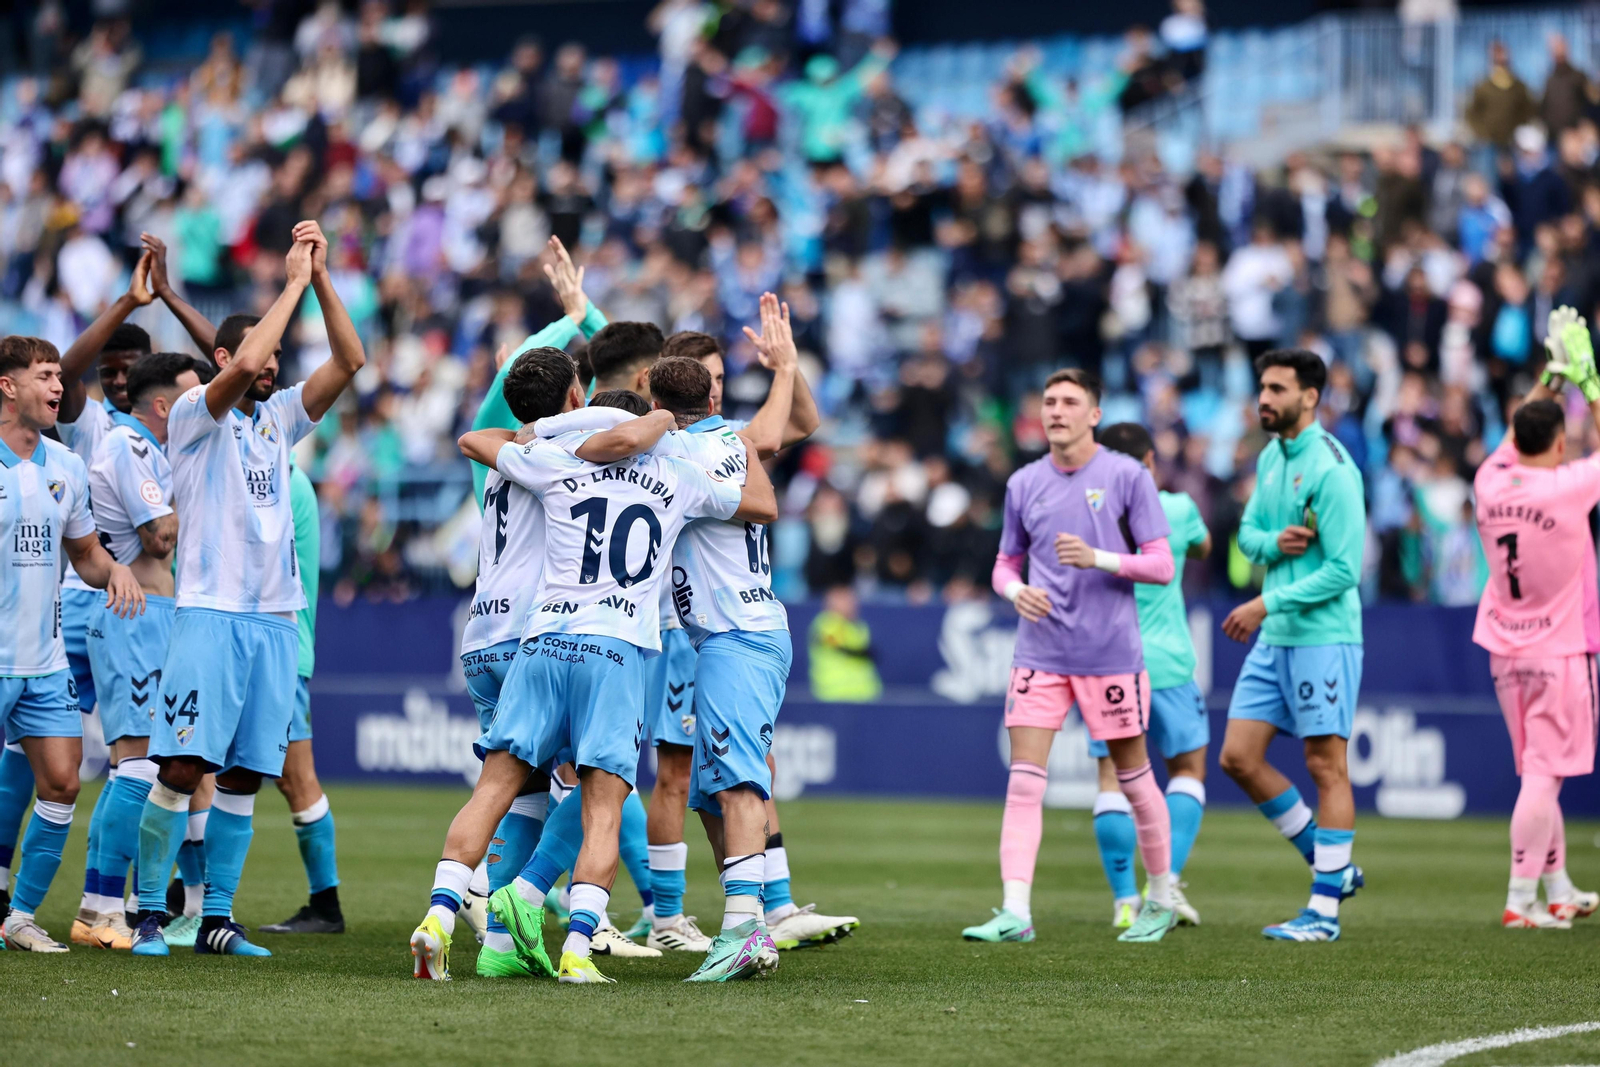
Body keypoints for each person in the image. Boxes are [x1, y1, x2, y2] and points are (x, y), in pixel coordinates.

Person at [450, 352, 777, 984]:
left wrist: (542, 429)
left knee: (531, 783)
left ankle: (497, 918)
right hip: (631, 638)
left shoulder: (548, 457)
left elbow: (475, 437)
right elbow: (761, 495)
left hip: (514, 633)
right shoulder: (679, 464)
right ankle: (591, 913)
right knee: (608, 781)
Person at [128, 221, 365, 958]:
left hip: (271, 620)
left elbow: (351, 359)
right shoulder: (198, 415)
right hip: (209, 614)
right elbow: (252, 357)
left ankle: (216, 920)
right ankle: (143, 915)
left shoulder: (277, 420)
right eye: (259, 357)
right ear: (224, 359)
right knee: (180, 766)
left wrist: (320, 277)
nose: (274, 368)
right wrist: (290, 280)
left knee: (244, 775)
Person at [964, 368, 1179, 945]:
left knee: (1134, 780)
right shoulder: (1023, 483)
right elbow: (1005, 563)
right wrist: (1015, 592)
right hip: (1041, 652)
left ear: (1094, 414)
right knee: (1024, 781)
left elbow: (1161, 564)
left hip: (1110, 656)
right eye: (1049, 401)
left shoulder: (1126, 475)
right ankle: (1015, 911)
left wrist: (1101, 558)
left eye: (1069, 402)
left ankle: (1160, 897)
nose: (1056, 410)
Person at [0, 335, 143, 952]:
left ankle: (18, 917)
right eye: (46, 376)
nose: (60, 386)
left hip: (43, 662)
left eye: (61, 375)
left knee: (61, 783)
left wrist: (115, 570)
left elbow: (83, 552)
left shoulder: (65, 466)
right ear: (9, 386)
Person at [1219, 348, 1366, 943]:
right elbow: (1249, 537)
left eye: (1277, 389)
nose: (1264, 398)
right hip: (1277, 639)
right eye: (1262, 387)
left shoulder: (1333, 468)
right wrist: (1275, 545)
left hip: (1321, 637)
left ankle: (1324, 913)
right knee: (1238, 758)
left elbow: (1345, 570)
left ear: (1310, 396)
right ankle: (1333, 868)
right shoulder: (1272, 458)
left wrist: (1264, 603)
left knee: (1325, 767)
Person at [1472, 307, 1600, 929]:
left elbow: (1516, 433)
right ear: (1558, 443)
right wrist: (1592, 385)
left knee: (1534, 772)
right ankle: (1521, 900)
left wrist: (1552, 378)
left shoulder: (1489, 481)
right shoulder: (1569, 485)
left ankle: (1556, 888)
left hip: (1504, 647)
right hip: (1557, 649)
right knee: (1546, 776)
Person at [76, 353, 204, 951]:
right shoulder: (130, 448)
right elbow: (159, 536)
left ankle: (97, 909)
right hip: (134, 616)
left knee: (129, 767)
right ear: (163, 406)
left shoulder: (145, 450)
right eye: (191, 394)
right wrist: (198, 490)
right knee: (139, 768)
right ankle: (103, 912)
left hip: (147, 617)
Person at [1087, 422, 1212, 929]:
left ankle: (1123, 900)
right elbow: (1204, 547)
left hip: (1106, 664)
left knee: (1111, 778)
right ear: (1151, 462)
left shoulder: (1088, 515)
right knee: (1186, 770)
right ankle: (1167, 884)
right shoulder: (1176, 509)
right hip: (1168, 665)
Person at [258, 454, 344, 935]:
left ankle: (326, 904)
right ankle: (186, 898)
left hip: (278, 649)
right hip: (267, 646)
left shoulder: (282, 479)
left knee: (296, 779)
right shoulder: (286, 475)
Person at [808, 585, 881, 702]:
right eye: (845, 600)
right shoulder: (824, 624)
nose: (851, 604)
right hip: (833, 693)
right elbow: (843, 647)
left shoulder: (860, 626)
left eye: (852, 600)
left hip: (864, 693)